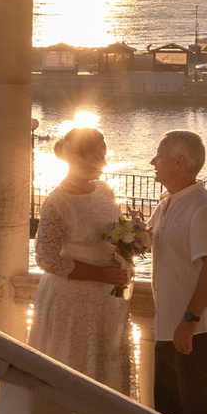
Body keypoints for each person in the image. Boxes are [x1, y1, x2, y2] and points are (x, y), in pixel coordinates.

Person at [28, 125, 131, 391]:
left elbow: (116, 236)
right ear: (76, 158)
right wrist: (101, 274)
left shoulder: (104, 191)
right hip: (70, 301)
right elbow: (46, 259)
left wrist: (124, 261)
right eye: (97, 156)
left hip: (107, 301)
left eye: (104, 155)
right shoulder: (56, 203)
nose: (104, 163)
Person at [149, 129, 207, 414]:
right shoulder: (168, 201)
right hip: (168, 326)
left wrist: (189, 320)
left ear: (179, 162)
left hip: (195, 330)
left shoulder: (203, 208)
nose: (152, 161)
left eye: (159, 156)